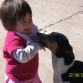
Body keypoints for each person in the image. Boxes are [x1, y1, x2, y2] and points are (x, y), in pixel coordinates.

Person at [0, 0, 44, 83]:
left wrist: (42, 38)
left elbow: (35, 35)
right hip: (18, 79)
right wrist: (37, 45)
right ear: (10, 23)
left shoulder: (26, 30)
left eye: (30, 18)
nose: (29, 24)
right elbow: (22, 57)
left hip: (31, 74)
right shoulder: (12, 40)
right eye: (23, 21)